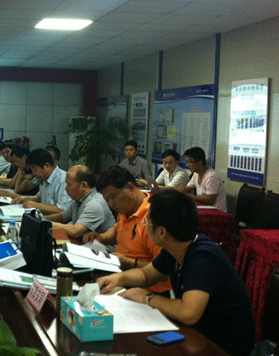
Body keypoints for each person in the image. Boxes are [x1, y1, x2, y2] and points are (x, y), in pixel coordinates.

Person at [97, 189, 254, 356]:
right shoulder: (175, 247)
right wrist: (118, 278)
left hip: (222, 346)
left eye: (146, 222)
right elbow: (146, 275)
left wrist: (147, 297)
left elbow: (188, 313)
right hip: (197, 334)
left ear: (162, 232)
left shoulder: (203, 258)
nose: (145, 226)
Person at [83, 165, 170, 293]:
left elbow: (164, 270)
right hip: (120, 278)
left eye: (113, 197)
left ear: (130, 188)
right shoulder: (125, 209)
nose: (111, 204)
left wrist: (128, 262)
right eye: (107, 199)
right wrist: (101, 237)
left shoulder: (153, 218)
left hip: (147, 290)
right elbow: (117, 231)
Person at [44, 165, 116, 243]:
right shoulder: (79, 199)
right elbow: (63, 217)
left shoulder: (94, 204)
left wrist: (44, 223)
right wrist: (41, 218)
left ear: (83, 185)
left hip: (102, 248)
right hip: (84, 243)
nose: (66, 188)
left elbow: (75, 231)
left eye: (69, 185)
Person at [12, 148, 74, 214]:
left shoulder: (63, 180)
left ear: (46, 166)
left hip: (54, 220)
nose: (33, 173)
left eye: (35, 169)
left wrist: (36, 206)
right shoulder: (44, 178)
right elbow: (39, 197)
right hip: (44, 217)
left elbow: (62, 210)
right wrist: (26, 199)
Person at [177, 147, 227, 212]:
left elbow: (210, 200)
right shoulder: (196, 174)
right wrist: (171, 192)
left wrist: (189, 196)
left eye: (190, 161)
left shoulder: (211, 176)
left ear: (200, 162)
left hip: (217, 212)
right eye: (187, 161)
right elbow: (186, 188)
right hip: (205, 208)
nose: (187, 165)